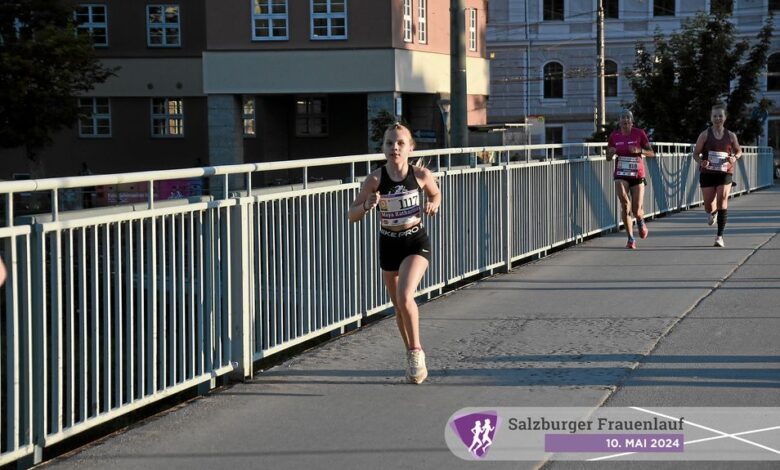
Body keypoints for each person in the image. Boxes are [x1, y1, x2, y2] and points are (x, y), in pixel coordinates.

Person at [348, 122, 441, 384]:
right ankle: (411, 352)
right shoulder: (375, 179)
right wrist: (366, 205)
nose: (395, 148)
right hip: (389, 243)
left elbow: (435, 194)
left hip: (415, 242)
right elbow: (352, 214)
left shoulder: (421, 175)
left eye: (400, 143)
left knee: (405, 295)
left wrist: (433, 204)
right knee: (398, 306)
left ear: (410, 148)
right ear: (383, 148)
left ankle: (416, 351)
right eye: (389, 143)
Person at [692, 103, 742, 248]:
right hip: (708, 173)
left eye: (720, 115)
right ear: (711, 118)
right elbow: (695, 154)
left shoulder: (731, 135)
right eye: (715, 116)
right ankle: (712, 212)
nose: (718, 118)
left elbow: (738, 151)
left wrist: (734, 158)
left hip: (725, 172)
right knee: (709, 205)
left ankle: (719, 237)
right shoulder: (705, 134)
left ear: (725, 117)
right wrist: (701, 162)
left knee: (722, 201)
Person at [606, 109, 655, 249]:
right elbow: (608, 157)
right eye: (623, 117)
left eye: (628, 117)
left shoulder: (639, 133)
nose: (625, 120)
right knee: (625, 205)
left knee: (636, 210)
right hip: (621, 173)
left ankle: (640, 220)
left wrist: (640, 151)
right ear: (619, 121)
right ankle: (630, 238)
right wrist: (610, 153)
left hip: (637, 174)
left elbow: (651, 153)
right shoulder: (614, 136)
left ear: (632, 121)